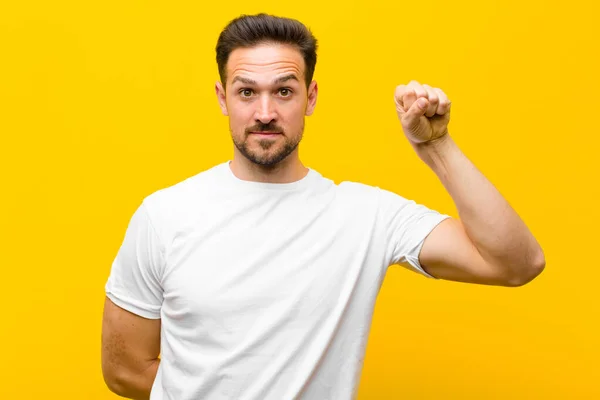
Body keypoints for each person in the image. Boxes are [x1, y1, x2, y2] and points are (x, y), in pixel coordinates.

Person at [101, 13, 545, 400]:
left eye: (284, 91)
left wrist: (437, 146)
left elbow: (516, 263)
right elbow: (124, 370)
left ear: (310, 97)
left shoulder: (366, 215)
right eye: (247, 92)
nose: (266, 112)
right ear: (222, 98)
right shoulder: (164, 215)